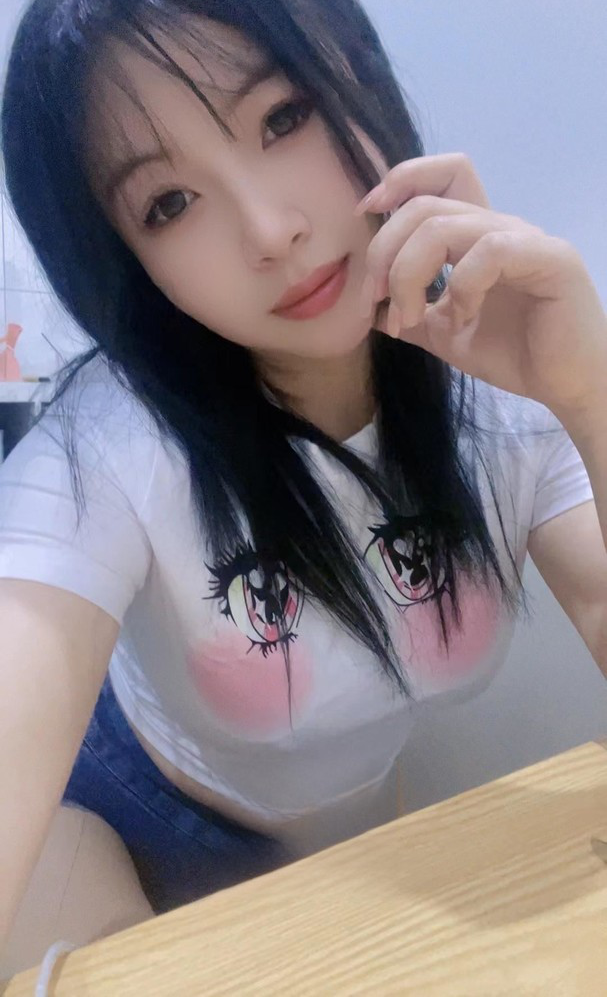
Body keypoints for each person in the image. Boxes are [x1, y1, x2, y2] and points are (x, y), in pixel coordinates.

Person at [1, 0, 607, 969]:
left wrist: (588, 396)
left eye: (284, 116)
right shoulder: (103, 452)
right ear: (130, 262)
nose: (271, 230)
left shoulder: (504, 379)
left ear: (358, 74)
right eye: (168, 203)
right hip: (134, 813)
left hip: (359, 830)